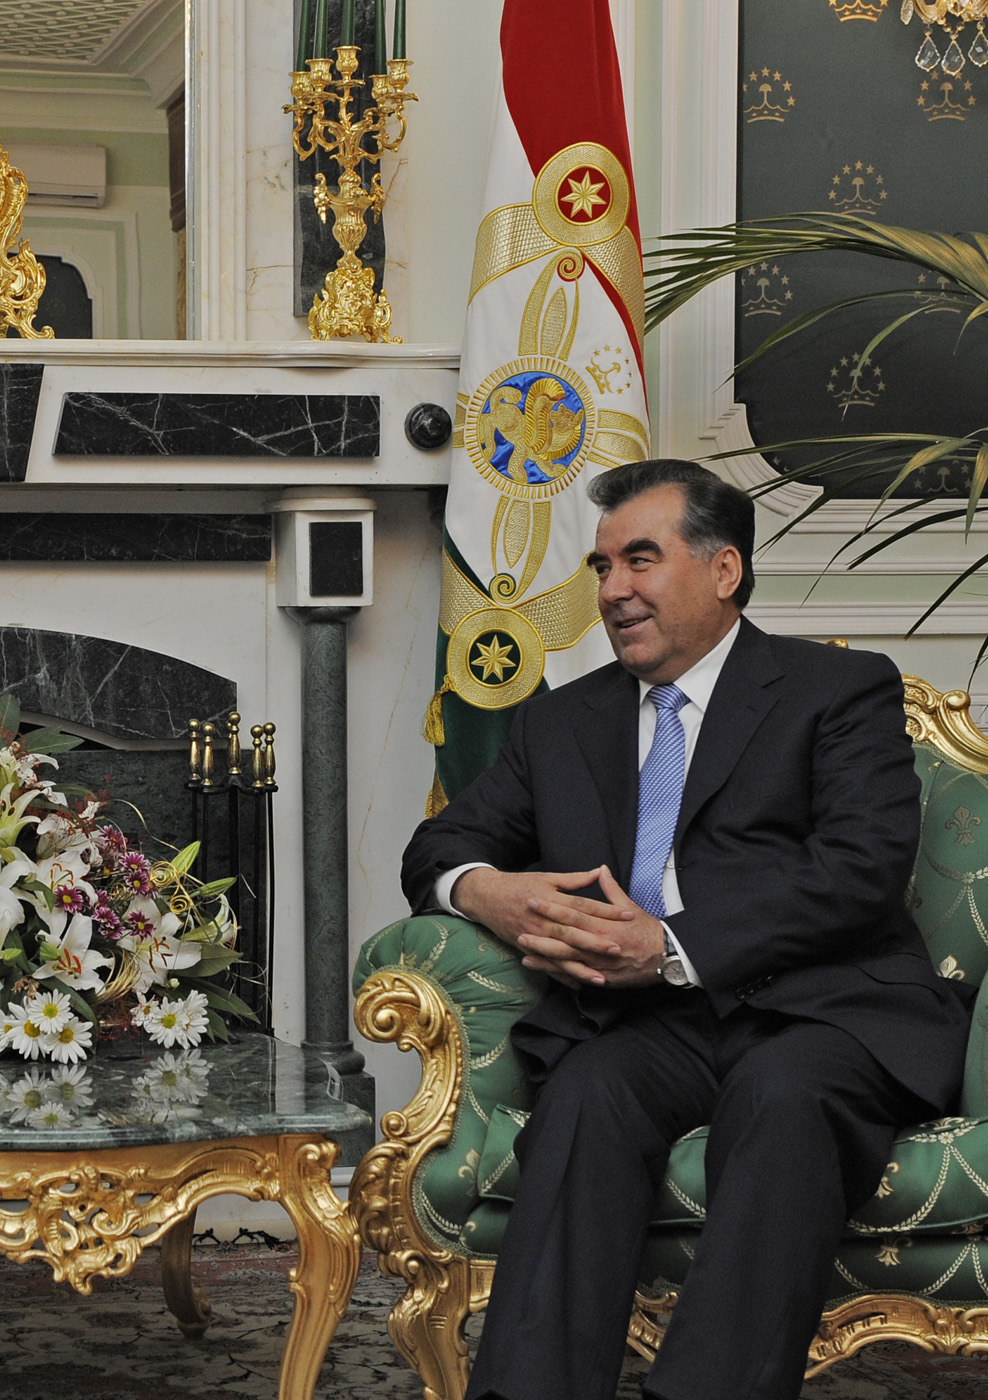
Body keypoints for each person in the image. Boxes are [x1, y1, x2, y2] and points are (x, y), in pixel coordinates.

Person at [401, 459, 972, 1400]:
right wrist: (487, 893)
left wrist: (667, 946)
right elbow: (443, 844)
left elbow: (860, 871)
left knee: (785, 1096)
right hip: (650, 1025)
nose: (613, 591)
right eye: (600, 568)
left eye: (639, 560)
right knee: (585, 1095)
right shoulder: (562, 724)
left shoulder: (835, 690)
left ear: (723, 570)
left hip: (821, 1013)